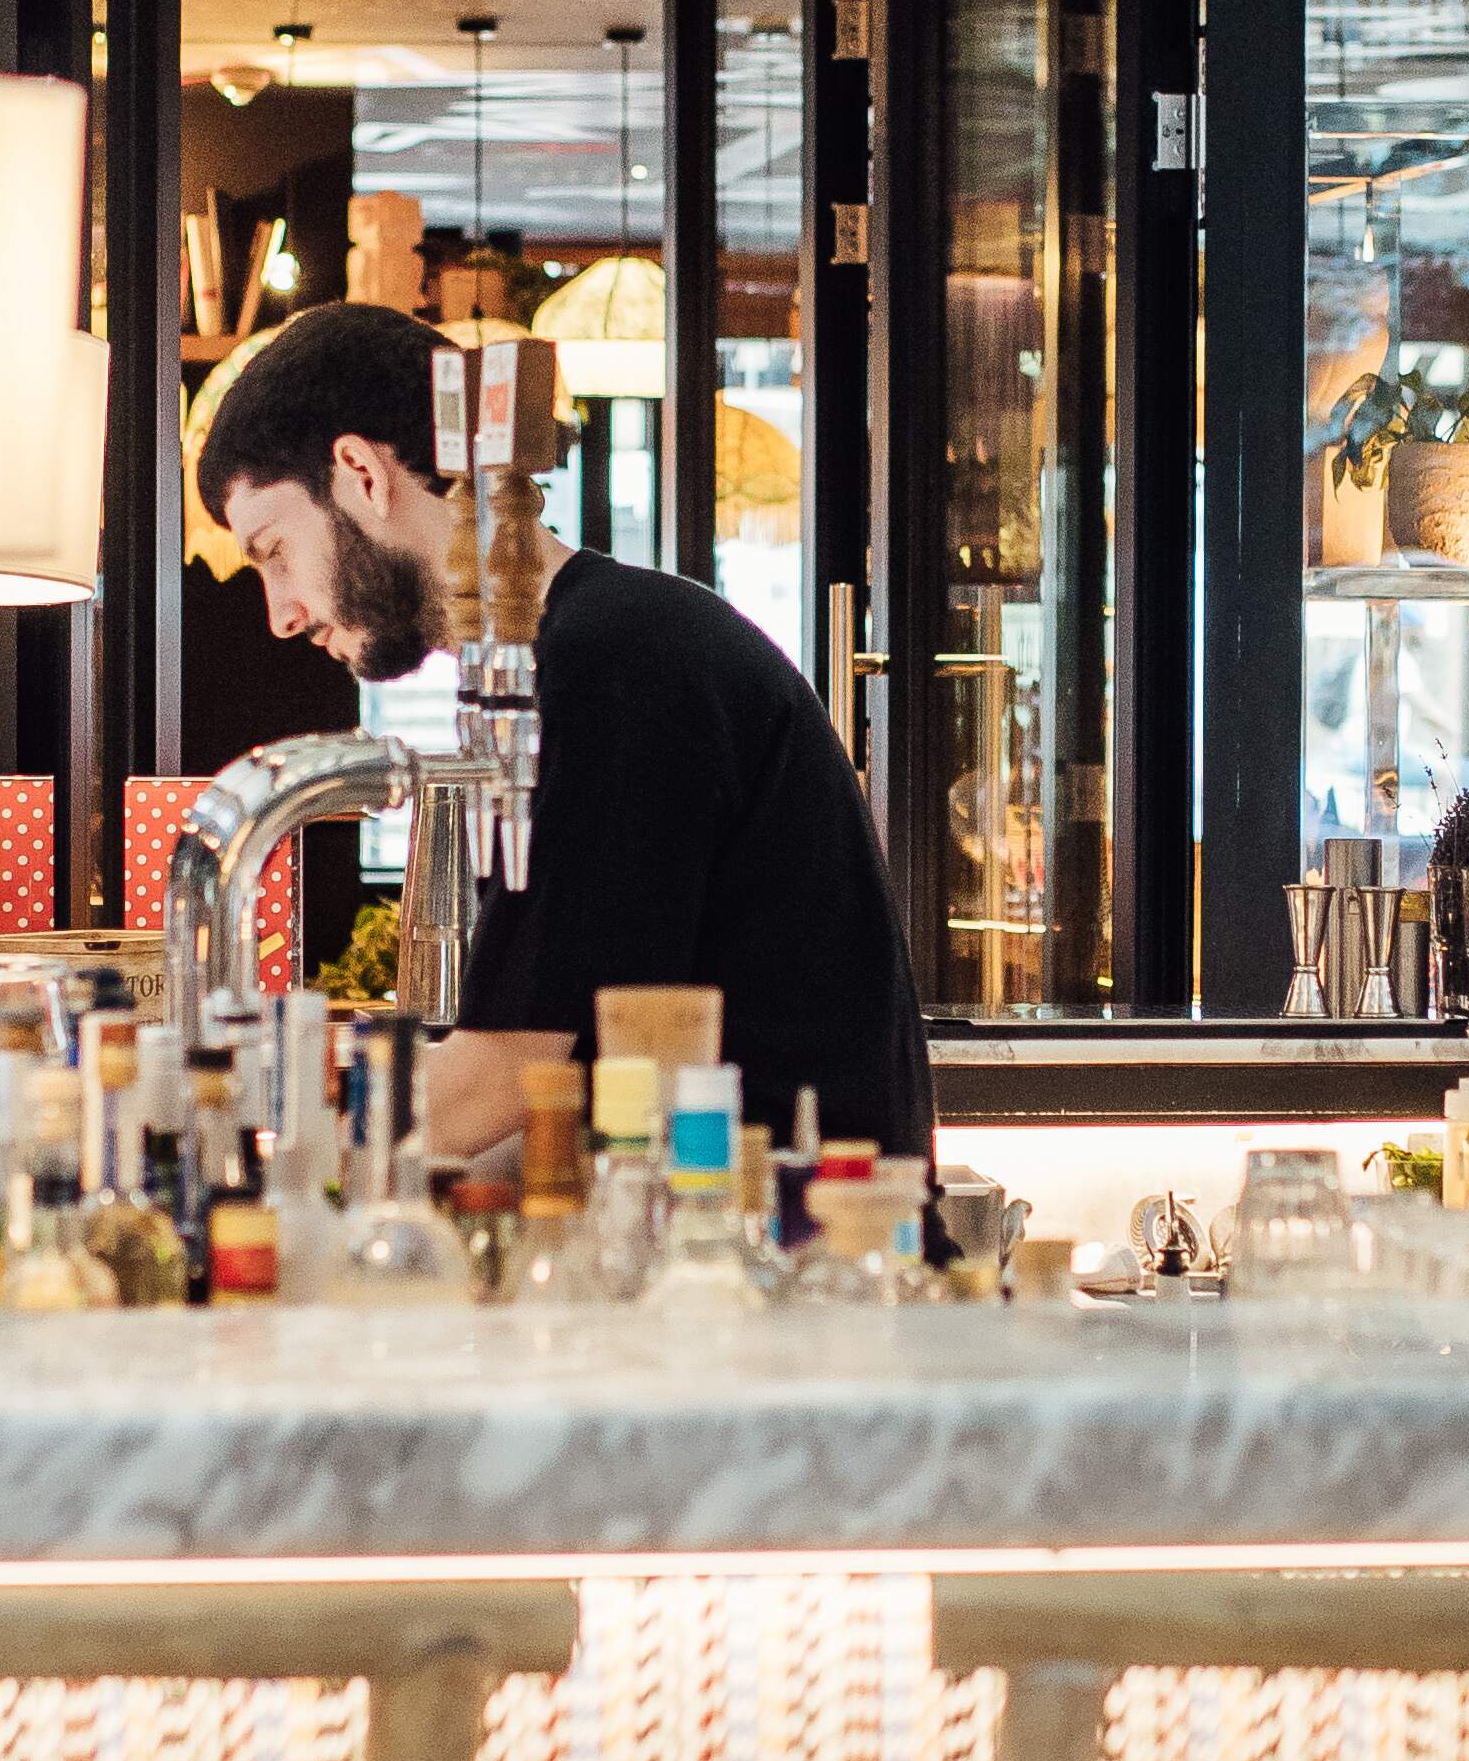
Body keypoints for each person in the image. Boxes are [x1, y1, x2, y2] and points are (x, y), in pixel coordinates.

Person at [192, 295, 934, 1166]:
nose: (279, 614)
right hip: (733, 1227)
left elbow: (507, 1072)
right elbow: (561, 1067)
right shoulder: (596, 644)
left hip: (800, 1246)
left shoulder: (609, 664)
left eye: (274, 550)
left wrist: (283, 1174)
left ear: (360, 472)